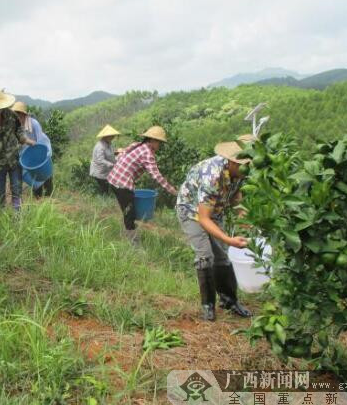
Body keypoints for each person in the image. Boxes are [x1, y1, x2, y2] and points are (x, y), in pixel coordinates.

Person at [175, 138, 254, 321]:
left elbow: (235, 195)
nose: (248, 169)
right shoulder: (213, 175)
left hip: (214, 211)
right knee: (205, 256)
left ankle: (229, 301)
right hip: (192, 211)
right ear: (233, 162)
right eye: (244, 165)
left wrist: (243, 215)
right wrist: (228, 239)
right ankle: (208, 306)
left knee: (222, 257)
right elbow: (203, 218)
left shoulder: (240, 173)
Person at [107, 126, 178, 245]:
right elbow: (156, 176)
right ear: (153, 140)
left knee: (127, 211)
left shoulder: (137, 144)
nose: (159, 145)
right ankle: (134, 245)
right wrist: (173, 191)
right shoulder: (147, 153)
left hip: (113, 179)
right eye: (159, 142)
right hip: (122, 184)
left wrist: (120, 156)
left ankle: (126, 235)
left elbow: (122, 154)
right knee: (130, 214)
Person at [11, 101, 53, 197]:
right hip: (28, 153)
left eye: (18, 114)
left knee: (46, 176)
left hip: (42, 149)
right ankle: (38, 198)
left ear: (23, 114)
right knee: (34, 177)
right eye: (14, 114)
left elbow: (40, 141)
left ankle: (49, 198)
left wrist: (40, 157)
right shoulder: (14, 126)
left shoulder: (34, 124)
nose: (16, 117)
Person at [90, 125, 120, 195]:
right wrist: (111, 164)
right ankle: (103, 201)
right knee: (104, 189)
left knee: (107, 187)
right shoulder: (100, 146)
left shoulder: (109, 144)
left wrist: (116, 153)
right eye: (111, 136)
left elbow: (109, 154)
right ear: (106, 136)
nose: (113, 137)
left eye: (113, 135)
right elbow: (100, 160)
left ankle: (106, 197)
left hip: (106, 170)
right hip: (99, 171)